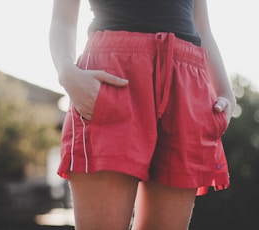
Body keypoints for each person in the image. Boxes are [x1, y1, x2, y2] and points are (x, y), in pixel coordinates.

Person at [49, 0, 236, 229]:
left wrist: (226, 91)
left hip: (186, 80)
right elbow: (62, 19)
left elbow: (201, 27)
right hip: (114, 72)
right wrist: (66, 72)